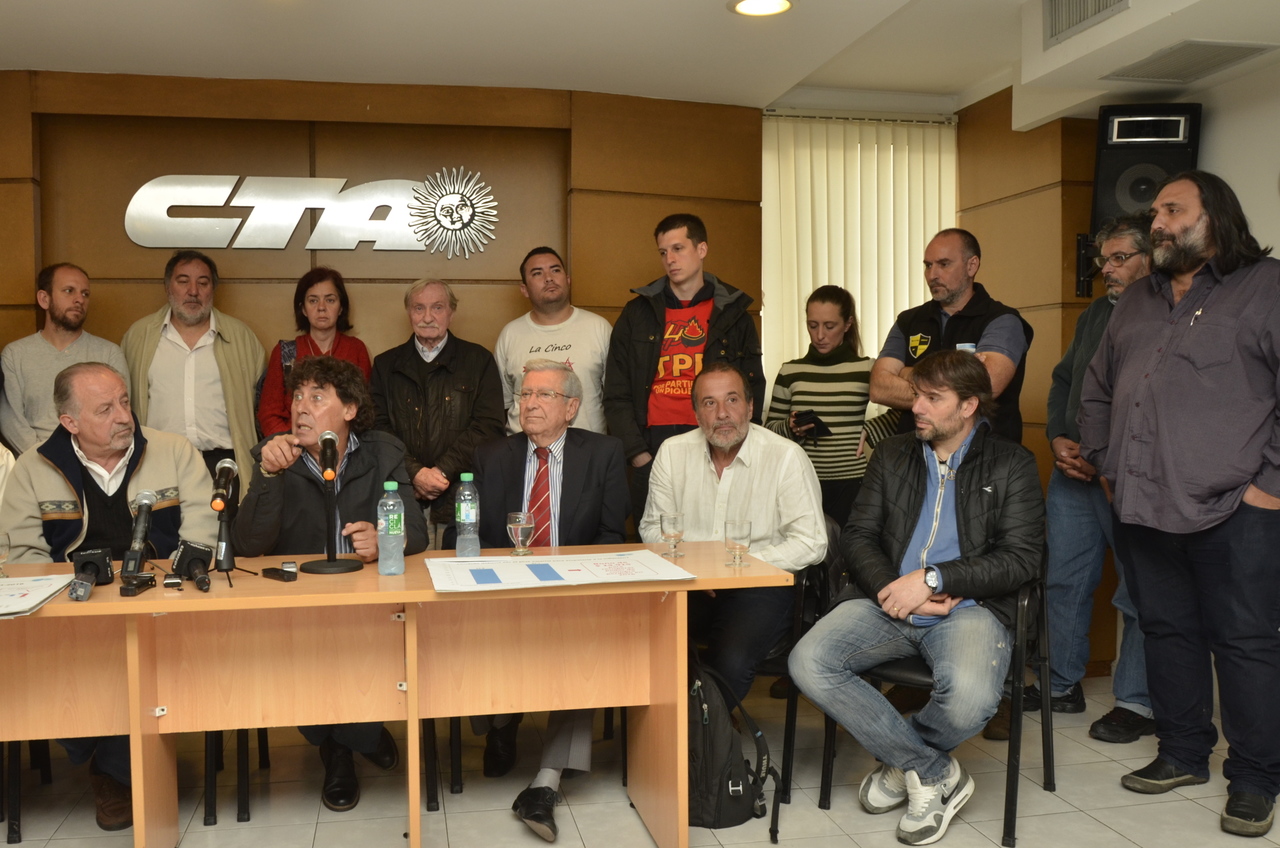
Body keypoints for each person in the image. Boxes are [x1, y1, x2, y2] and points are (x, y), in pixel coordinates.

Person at [1078, 171, 1280, 838]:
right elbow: (1098, 387)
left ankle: (1255, 779)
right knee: (1166, 633)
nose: (1158, 223)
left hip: (1237, 510)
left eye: (1172, 210)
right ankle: (1184, 753)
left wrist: (1269, 488)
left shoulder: (1267, 288)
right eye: (1155, 213)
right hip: (1143, 504)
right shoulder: (1137, 299)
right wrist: (1107, 463)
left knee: (1246, 644)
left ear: (1213, 216)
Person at [789, 351, 1043, 846]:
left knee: (969, 700)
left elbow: (1021, 560)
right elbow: (859, 535)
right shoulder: (893, 453)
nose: (917, 408)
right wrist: (894, 588)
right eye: (916, 396)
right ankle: (930, 769)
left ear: (968, 405)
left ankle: (900, 763)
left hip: (968, 608)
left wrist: (930, 581)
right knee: (808, 661)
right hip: (885, 598)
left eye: (932, 398)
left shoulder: (1012, 463)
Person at [0, 361, 218, 831]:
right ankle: (115, 758)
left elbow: (202, 531)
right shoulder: (34, 468)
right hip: (74, 608)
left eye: (124, 401)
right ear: (70, 422)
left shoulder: (174, 451)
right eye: (105, 409)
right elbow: (23, 559)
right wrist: (74, 600)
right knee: (70, 665)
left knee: (137, 654)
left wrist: (168, 583)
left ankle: (115, 771)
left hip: (162, 602)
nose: (123, 416)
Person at [232, 355, 426, 812]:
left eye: (317, 397)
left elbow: (416, 531)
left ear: (350, 409)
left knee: (370, 651)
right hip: (298, 605)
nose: (301, 406)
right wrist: (268, 475)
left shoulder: (383, 453)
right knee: (309, 657)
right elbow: (248, 545)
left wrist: (385, 538)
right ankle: (344, 745)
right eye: (297, 396)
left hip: (368, 603)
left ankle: (356, 737)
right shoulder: (275, 455)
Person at [471, 359, 628, 842]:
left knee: (584, 644)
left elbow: (611, 535)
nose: (530, 404)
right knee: (473, 627)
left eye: (544, 395)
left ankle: (546, 780)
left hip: (573, 589)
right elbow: (476, 537)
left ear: (571, 407)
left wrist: (573, 582)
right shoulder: (492, 455)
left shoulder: (603, 453)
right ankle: (501, 722)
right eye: (525, 394)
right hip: (507, 587)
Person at [1027, 215, 1154, 742]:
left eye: (1120, 258)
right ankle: (1060, 683)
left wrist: (1100, 456)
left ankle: (1137, 701)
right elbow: (1063, 382)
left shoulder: (1169, 313)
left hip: (1128, 477)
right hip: (1072, 473)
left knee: (1140, 591)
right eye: (1105, 260)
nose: (1107, 268)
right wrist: (1059, 436)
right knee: (1064, 579)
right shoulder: (1095, 314)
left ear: (1151, 259)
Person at [640, 361, 825, 700]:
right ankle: (678, 727)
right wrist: (696, 568)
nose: (722, 413)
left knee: (731, 660)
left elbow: (811, 542)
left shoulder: (786, 456)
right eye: (709, 403)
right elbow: (653, 527)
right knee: (647, 642)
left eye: (732, 400)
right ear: (696, 413)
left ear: (751, 407)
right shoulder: (672, 452)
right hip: (690, 579)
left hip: (761, 584)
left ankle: (710, 729)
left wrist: (735, 567)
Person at [605, 213, 765, 527]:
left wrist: (740, 450)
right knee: (656, 541)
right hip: (653, 448)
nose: (670, 259)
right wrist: (638, 455)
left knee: (721, 537)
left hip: (717, 442)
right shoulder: (637, 312)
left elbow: (752, 388)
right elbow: (616, 392)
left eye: (678, 249)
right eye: (663, 252)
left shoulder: (733, 313)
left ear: (701, 249)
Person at [370, 279, 504, 549]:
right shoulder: (385, 365)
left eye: (437, 307)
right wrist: (415, 473)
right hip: (403, 495)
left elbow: (489, 427)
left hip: (461, 496)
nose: (428, 317)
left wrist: (441, 471)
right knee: (405, 571)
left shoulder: (479, 360)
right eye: (419, 308)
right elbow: (376, 429)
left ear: (451, 312)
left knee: (459, 569)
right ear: (409, 313)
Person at [869, 228, 1032, 444]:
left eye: (944, 264)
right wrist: (951, 389)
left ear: (971, 266)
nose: (932, 275)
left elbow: (986, 387)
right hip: (916, 455)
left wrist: (909, 372)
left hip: (984, 456)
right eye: (928, 265)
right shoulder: (909, 321)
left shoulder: (1002, 320)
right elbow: (878, 388)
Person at [120, 250, 265, 481]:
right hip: (156, 462)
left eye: (203, 283)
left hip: (225, 464)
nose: (193, 291)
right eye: (183, 281)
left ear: (213, 289)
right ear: (167, 287)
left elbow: (261, 407)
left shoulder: (242, 338)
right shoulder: (139, 337)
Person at [764, 285, 872, 526]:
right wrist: (790, 427)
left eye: (829, 326)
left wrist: (871, 430)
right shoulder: (790, 371)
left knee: (850, 546)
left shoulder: (867, 369)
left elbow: (908, 407)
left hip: (852, 483)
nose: (819, 335)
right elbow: (768, 431)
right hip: (800, 480)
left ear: (848, 324)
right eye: (812, 325)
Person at [1, 263, 129, 453]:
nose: (79, 299)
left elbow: (120, 416)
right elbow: (11, 421)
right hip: (36, 459)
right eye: (69, 291)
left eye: (85, 294)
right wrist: (44, 458)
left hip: (96, 460)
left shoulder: (109, 353)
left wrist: (88, 460)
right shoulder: (15, 354)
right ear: (44, 299)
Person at [493, 247, 612, 435]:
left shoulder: (598, 327)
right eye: (537, 273)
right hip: (524, 448)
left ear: (568, 280)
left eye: (555, 270)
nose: (548, 278)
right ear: (524, 289)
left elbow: (616, 398)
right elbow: (503, 403)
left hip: (588, 448)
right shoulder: (510, 334)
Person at [256, 267, 372, 437]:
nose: (321, 307)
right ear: (303, 309)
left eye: (330, 300)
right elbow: (268, 414)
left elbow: (363, 411)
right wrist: (291, 445)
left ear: (341, 307)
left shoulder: (356, 349)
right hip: (294, 445)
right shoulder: (285, 352)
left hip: (343, 447)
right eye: (313, 300)